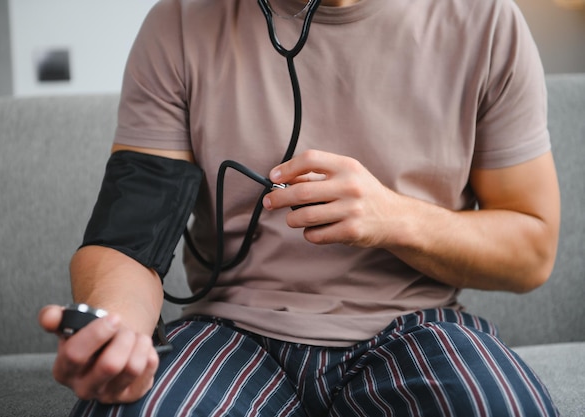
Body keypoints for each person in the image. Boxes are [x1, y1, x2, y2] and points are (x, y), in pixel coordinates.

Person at [39, 0, 561, 415]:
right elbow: (128, 236)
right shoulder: (178, 22)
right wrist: (119, 328)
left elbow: (531, 251)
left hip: (416, 324)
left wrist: (395, 218)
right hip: (231, 328)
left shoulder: (485, 20)